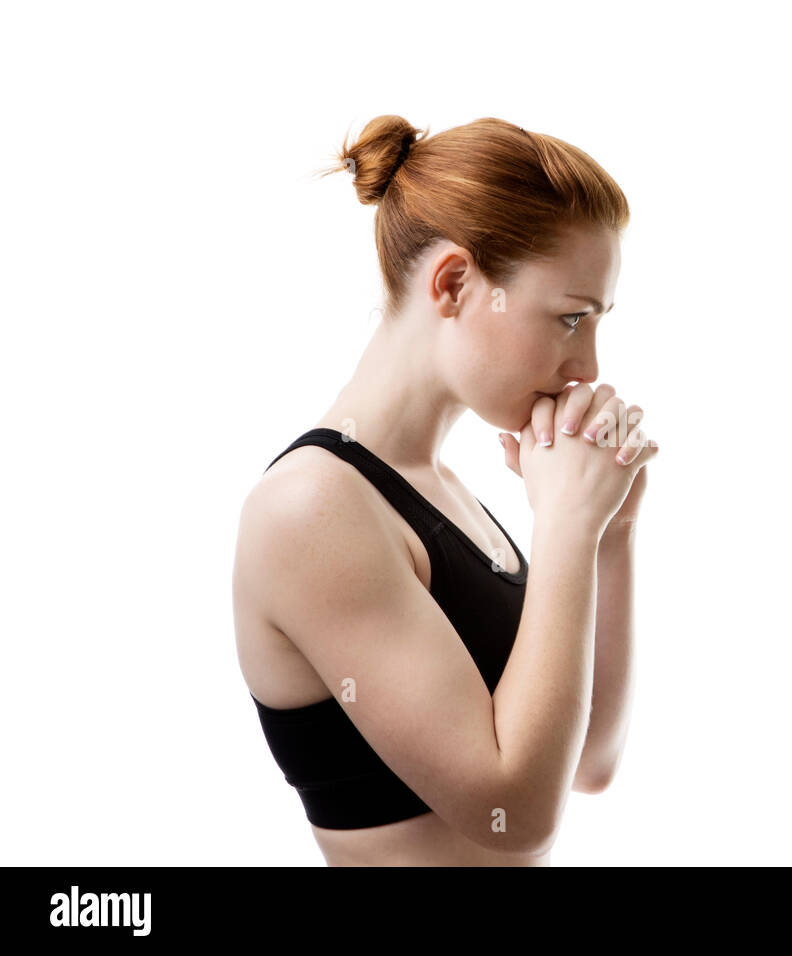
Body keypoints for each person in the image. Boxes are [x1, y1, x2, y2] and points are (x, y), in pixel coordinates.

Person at [231, 115, 659, 866]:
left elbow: (588, 762)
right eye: (569, 318)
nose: (588, 366)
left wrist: (610, 534)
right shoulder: (312, 509)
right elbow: (513, 812)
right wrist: (562, 526)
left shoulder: (446, 494)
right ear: (455, 284)